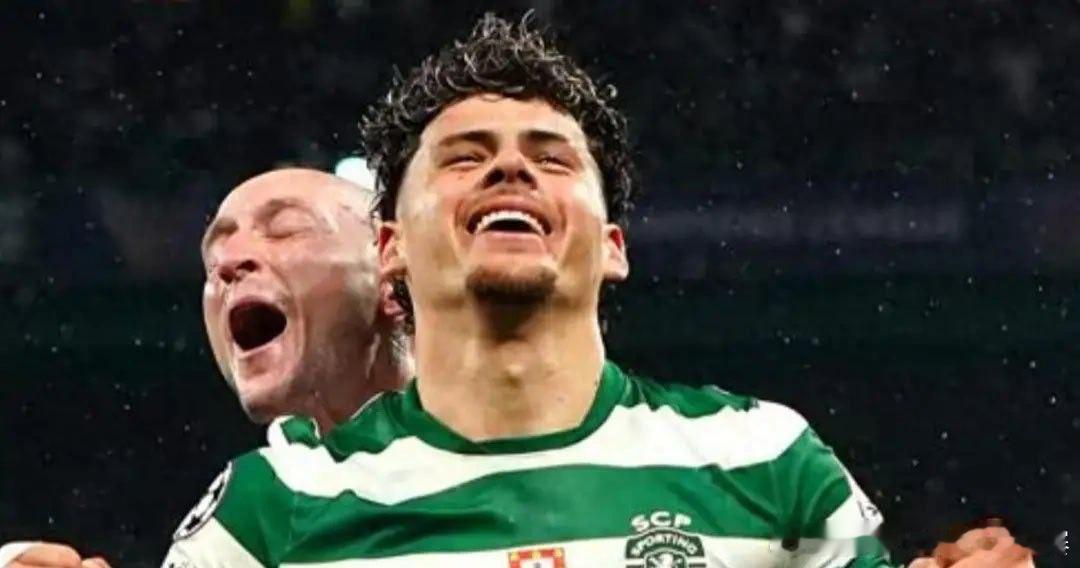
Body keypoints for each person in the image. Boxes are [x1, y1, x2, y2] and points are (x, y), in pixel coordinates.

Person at [160, 15, 1033, 567]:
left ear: (613, 245)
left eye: (552, 158)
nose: (509, 167)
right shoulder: (272, 510)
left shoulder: (767, 461)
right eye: (464, 157)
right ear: (391, 248)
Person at [1, 168, 412, 568]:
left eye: (285, 230)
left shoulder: (452, 454)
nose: (228, 263)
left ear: (392, 273)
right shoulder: (252, 511)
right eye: (213, 258)